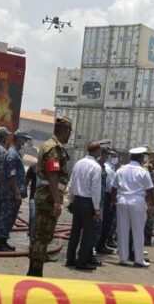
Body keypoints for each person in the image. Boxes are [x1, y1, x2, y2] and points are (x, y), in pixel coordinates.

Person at [28, 117, 72, 277]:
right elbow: (52, 174)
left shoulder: (49, 145)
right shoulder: (53, 148)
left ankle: (33, 269)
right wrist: (57, 202)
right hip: (48, 197)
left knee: (39, 235)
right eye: (69, 132)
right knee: (43, 237)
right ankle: (36, 272)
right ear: (66, 131)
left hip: (45, 195)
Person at [111, 147, 154, 267]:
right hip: (137, 201)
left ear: (130, 157)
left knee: (122, 230)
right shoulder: (143, 172)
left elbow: (114, 187)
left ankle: (123, 258)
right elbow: (150, 189)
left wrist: (113, 201)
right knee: (138, 231)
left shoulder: (121, 170)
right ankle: (139, 259)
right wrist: (152, 204)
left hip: (122, 200)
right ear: (141, 158)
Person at [66, 142, 103, 271]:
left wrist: (70, 201)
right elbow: (95, 190)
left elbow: (71, 184)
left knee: (75, 232)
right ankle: (81, 262)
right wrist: (97, 208)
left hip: (77, 201)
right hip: (88, 203)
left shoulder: (78, 163)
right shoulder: (96, 167)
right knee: (87, 233)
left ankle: (70, 259)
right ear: (97, 151)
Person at [0, 129, 33, 252]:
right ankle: (1, 243)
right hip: (11, 193)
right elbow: (11, 176)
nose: (25, 142)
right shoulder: (12, 154)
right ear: (18, 139)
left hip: (10, 192)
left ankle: (3, 241)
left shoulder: (15, 153)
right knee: (7, 217)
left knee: (10, 217)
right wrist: (17, 194)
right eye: (24, 139)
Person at [26, 162, 37, 241]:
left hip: (45, 199)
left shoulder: (50, 167)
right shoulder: (33, 167)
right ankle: (31, 234)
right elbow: (26, 180)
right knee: (33, 217)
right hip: (33, 197)